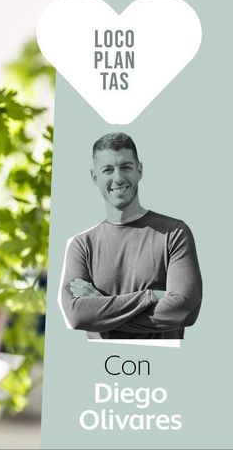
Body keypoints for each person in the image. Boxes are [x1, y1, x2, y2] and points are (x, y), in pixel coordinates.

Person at [59, 132, 202, 340]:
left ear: (139, 170)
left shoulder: (174, 233)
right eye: (108, 169)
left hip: (163, 367)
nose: (118, 178)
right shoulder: (82, 245)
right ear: (94, 177)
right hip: (98, 367)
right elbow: (77, 316)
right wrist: (151, 296)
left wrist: (101, 309)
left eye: (126, 167)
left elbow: (185, 311)